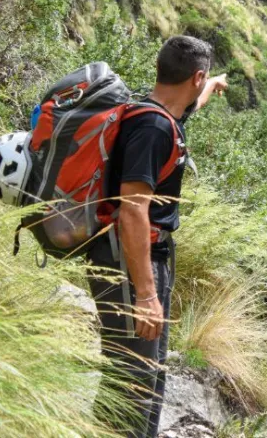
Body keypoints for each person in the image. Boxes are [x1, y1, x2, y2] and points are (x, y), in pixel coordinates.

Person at [86, 36, 227, 438]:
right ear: (193, 76)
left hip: (143, 258)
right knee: (131, 384)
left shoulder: (162, 114)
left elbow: (187, 108)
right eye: (204, 79)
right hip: (129, 263)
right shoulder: (152, 128)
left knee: (148, 374)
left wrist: (212, 85)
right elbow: (133, 211)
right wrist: (146, 295)